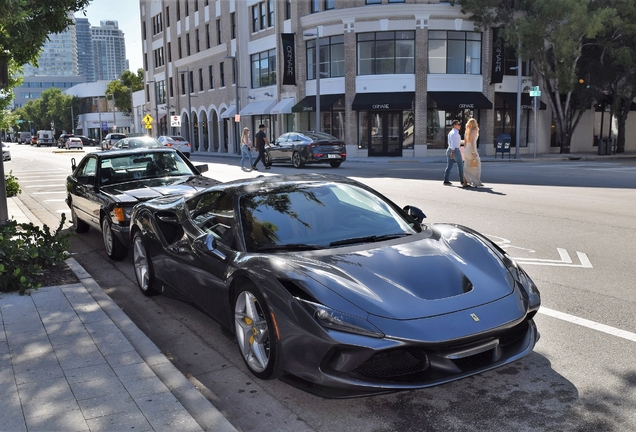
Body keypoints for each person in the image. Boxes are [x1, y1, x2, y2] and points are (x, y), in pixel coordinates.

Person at [443, 119, 466, 186]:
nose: (460, 126)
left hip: (449, 149)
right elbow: (453, 143)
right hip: (454, 150)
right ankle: (462, 181)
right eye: (458, 124)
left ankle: (446, 180)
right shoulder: (455, 133)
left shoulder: (451, 132)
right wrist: (453, 152)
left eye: (460, 124)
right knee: (460, 166)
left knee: (449, 166)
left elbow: (453, 142)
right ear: (454, 125)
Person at [462, 118, 483, 187]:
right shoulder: (474, 131)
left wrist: (464, 151)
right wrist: (473, 152)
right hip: (471, 149)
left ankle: (465, 183)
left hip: (466, 150)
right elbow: (472, 142)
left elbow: (465, 142)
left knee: (467, 166)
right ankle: (476, 181)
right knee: (477, 166)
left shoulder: (467, 131)